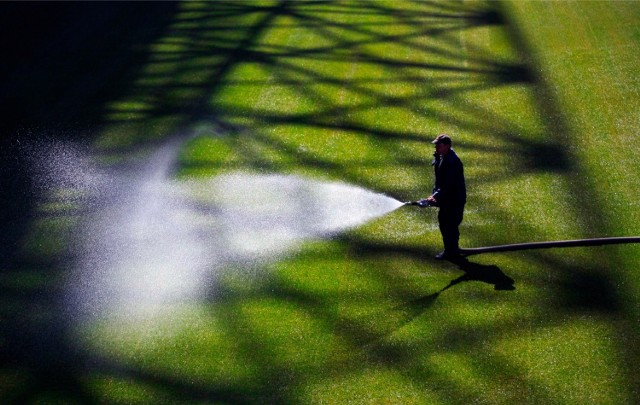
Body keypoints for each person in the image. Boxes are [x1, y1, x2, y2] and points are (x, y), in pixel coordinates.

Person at [426, 134, 466, 260]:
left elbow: (448, 184)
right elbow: (439, 182)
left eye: (439, 145)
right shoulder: (441, 157)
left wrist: (436, 196)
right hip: (447, 198)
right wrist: (434, 196)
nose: (436, 147)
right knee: (444, 222)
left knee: (450, 224)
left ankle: (451, 251)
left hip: (454, 199)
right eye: (436, 145)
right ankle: (452, 249)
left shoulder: (452, 162)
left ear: (447, 146)